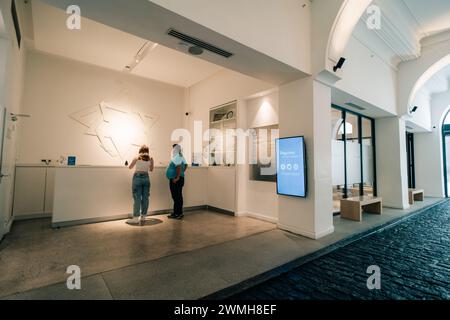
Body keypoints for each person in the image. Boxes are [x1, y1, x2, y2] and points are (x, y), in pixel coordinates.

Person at [127, 145, 154, 225]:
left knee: (137, 198)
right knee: (145, 198)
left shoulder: (137, 158)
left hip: (137, 178)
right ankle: (143, 217)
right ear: (147, 151)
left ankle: (135, 218)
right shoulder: (151, 158)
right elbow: (151, 170)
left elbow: (130, 167)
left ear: (140, 151)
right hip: (146, 178)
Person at [166, 144, 187, 219]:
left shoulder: (177, 156)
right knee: (177, 196)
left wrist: (177, 177)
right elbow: (186, 165)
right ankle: (177, 212)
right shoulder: (181, 156)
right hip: (179, 178)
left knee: (176, 197)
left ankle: (178, 213)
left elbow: (178, 167)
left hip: (176, 179)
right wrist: (182, 172)